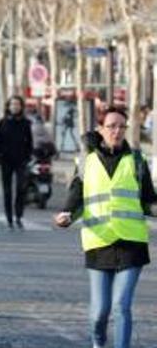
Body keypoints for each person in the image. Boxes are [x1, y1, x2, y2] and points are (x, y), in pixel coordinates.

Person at [54, 106, 157, 348]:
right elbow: (75, 198)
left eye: (122, 126)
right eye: (111, 126)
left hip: (132, 243)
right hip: (98, 242)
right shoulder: (87, 162)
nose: (117, 131)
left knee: (122, 305)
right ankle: (98, 342)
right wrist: (66, 215)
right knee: (99, 312)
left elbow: (148, 201)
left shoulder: (138, 162)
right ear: (100, 129)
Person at [0, 96, 34, 229]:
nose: (15, 107)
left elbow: (29, 141)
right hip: (6, 160)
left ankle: (18, 215)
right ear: (8, 106)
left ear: (21, 107)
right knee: (7, 191)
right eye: (12, 104)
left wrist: (28, 156)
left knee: (21, 189)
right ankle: (9, 217)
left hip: (21, 160)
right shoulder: (3, 122)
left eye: (17, 104)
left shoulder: (26, 123)